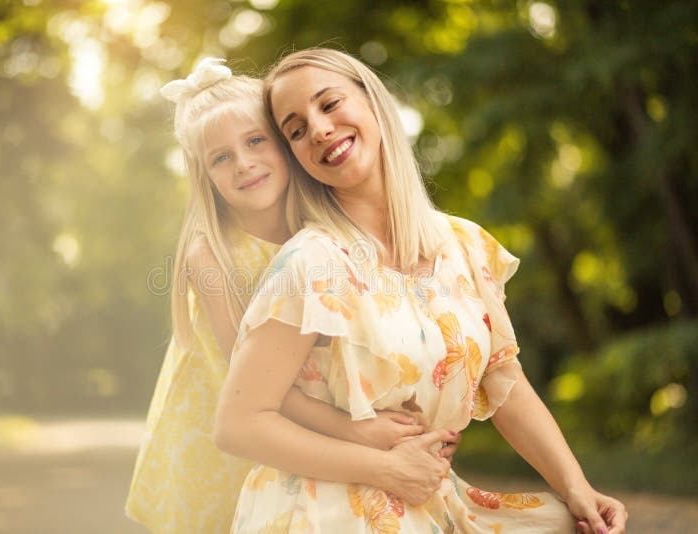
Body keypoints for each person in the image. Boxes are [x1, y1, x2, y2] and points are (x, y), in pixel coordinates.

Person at [214, 48, 628, 533]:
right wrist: (384, 469)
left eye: (329, 105)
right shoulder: (311, 263)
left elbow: (503, 381)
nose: (320, 129)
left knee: (566, 524)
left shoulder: (465, 245)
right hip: (319, 513)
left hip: (424, 499)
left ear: (374, 102)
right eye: (297, 130)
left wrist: (578, 488)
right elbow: (238, 424)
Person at [125, 58, 461, 534]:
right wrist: (353, 430)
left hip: (299, 429)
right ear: (206, 176)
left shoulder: (322, 225)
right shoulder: (213, 254)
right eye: (221, 158)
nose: (244, 164)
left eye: (256, 141)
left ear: (285, 144)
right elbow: (257, 389)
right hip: (224, 428)